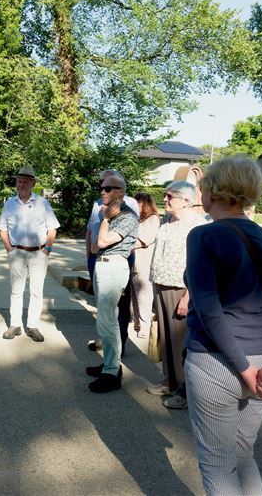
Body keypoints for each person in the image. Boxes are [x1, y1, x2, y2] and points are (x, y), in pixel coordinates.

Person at [184, 155, 262, 496]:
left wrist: (242, 366)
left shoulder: (203, 236)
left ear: (213, 191)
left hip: (217, 360)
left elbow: (209, 310)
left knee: (217, 465)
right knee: (242, 454)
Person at [146, 181, 207, 409]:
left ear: (186, 200)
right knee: (165, 338)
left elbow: (201, 264)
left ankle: (185, 390)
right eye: (165, 195)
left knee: (181, 341)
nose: (164, 199)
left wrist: (188, 296)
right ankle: (169, 381)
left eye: (170, 196)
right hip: (160, 284)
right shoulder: (166, 220)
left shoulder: (197, 225)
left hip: (180, 288)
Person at [84, 174, 139, 393]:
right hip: (103, 264)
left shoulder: (127, 215)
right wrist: (104, 225)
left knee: (108, 321)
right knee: (106, 320)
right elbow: (94, 246)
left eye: (108, 188)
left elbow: (102, 241)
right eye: (102, 187)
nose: (102, 191)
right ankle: (109, 364)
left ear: (121, 191)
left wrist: (106, 220)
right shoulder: (108, 212)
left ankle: (112, 371)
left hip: (114, 266)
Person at [0, 165, 60, 342]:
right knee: (16, 290)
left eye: (25, 182)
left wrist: (47, 249)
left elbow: (52, 228)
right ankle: (15, 325)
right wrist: (10, 250)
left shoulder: (42, 203)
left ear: (33, 184)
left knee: (36, 291)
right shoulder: (10, 203)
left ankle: (33, 326)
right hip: (16, 252)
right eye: (19, 181)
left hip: (39, 253)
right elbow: (2, 229)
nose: (21, 184)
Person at [130, 192, 160, 336]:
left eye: (138, 203)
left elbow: (143, 240)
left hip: (144, 263)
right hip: (133, 263)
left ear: (145, 204)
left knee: (144, 296)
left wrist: (124, 244)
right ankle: (136, 322)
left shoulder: (153, 219)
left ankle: (145, 326)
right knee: (134, 296)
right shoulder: (137, 219)